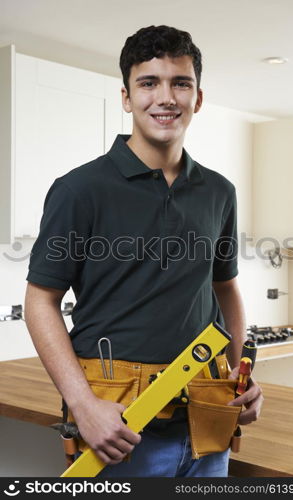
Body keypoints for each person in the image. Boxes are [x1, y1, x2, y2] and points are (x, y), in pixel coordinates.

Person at [24, 25, 263, 478]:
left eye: (181, 83)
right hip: (116, 421)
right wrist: (82, 403)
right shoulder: (80, 189)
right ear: (126, 97)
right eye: (148, 83)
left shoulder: (219, 192)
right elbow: (41, 299)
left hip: (208, 418)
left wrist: (239, 376)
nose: (166, 97)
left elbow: (225, 287)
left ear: (198, 97)